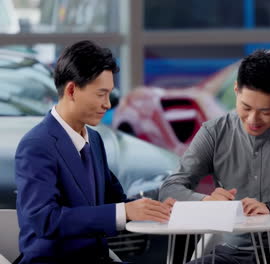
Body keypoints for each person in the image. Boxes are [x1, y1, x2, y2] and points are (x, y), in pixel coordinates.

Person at [159, 49, 270, 264]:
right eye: (246, 107)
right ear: (236, 90)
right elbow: (169, 189)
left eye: (265, 112)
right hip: (235, 254)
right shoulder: (214, 132)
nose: (253, 119)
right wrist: (206, 201)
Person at [15, 40, 175, 264]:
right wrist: (125, 211)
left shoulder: (95, 141)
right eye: (101, 94)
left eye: (109, 94)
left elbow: (117, 201)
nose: (108, 104)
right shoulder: (36, 146)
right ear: (72, 90)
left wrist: (153, 208)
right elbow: (45, 220)